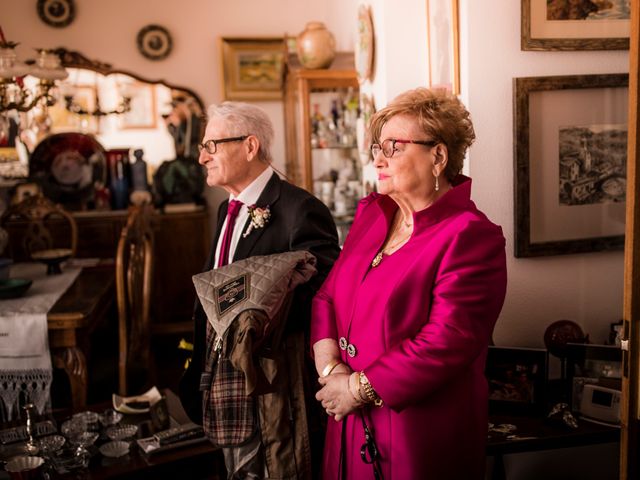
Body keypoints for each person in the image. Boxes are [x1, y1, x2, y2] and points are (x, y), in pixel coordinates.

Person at [311, 87, 507, 479]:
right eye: (377, 148)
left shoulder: (471, 235)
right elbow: (327, 296)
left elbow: (446, 340)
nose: (379, 159)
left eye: (394, 147)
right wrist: (333, 371)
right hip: (346, 415)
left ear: (438, 156)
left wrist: (357, 389)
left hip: (416, 429)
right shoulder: (372, 211)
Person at [179, 101, 341, 479]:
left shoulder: (301, 209)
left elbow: (323, 295)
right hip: (222, 372)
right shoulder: (227, 209)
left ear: (250, 146)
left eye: (212, 146)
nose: (203, 157)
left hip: (274, 380)